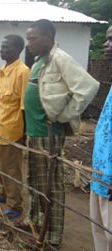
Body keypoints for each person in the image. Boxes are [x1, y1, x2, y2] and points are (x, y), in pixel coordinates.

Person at [25, 19, 99, 247]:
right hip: (34, 131)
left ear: (49, 36)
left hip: (49, 132)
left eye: (33, 38)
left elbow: (88, 87)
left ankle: (53, 233)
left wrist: (65, 115)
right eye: (28, 38)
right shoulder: (39, 61)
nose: (29, 43)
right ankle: (37, 221)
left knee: (51, 184)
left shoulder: (61, 59)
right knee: (35, 180)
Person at [0, 35, 29, 222]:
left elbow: (24, 105)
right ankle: (4, 191)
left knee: (11, 168)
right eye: (1, 47)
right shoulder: (3, 70)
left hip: (12, 129)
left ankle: (15, 204)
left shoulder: (22, 72)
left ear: (18, 49)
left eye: (6, 47)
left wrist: (24, 134)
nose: (2, 50)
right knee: (0, 164)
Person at [90, 24, 112, 251]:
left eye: (111, 39)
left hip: (109, 178)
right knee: (100, 233)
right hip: (100, 175)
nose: (106, 45)